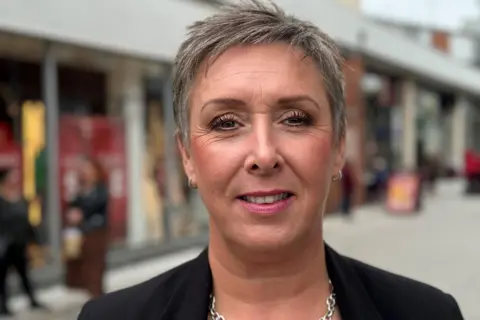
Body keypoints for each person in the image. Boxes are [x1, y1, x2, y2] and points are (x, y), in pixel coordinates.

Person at [78, 1, 464, 319]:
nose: (263, 155)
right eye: (226, 123)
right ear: (187, 157)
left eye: (295, 119)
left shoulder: (428, 313)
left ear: (339, 147)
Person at [0, 169, 44, 316]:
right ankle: (3, 306)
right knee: (2, 276)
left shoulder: (20, 198)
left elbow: (26, 221)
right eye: (12, 177)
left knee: (24, 274)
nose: (15, 180)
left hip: (20, 243)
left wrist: (34, 239)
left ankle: (32, 300)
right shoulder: (1, 199)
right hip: (4, 245)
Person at [65, 156, 109, 298]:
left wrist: (81, 214)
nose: (85, 173)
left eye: (88, 170)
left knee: (95, 266)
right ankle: (91, 293)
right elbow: (72, 206)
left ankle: (97, 296)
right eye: (83, 170)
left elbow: (97, 206)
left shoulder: (100, 189)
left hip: (96, 232)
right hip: (82, 233)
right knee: (83, 267)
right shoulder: (79, 190)